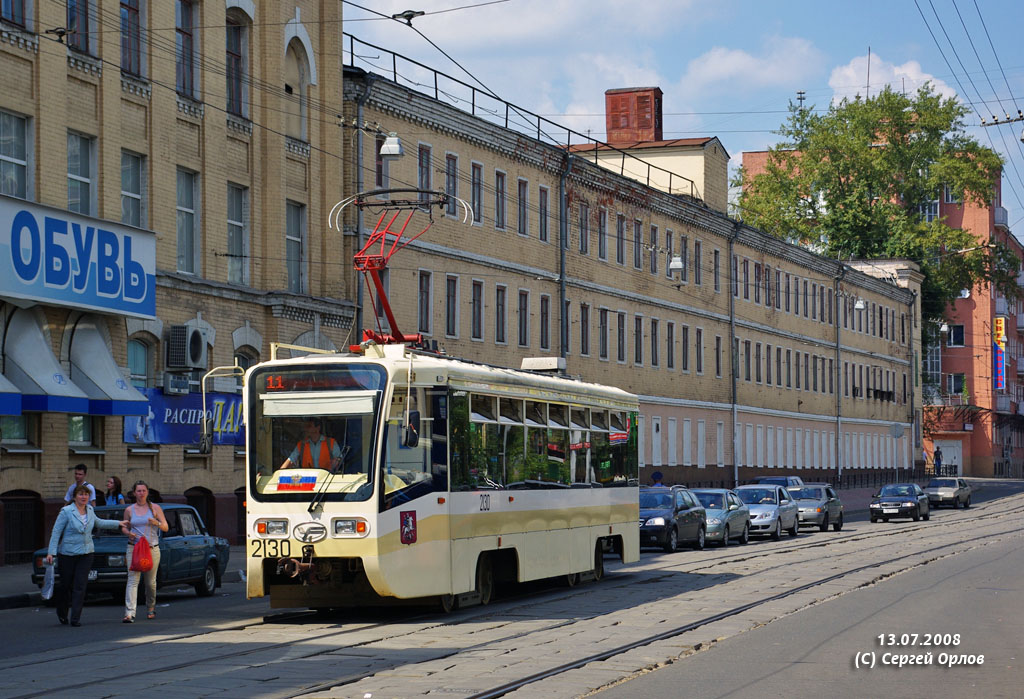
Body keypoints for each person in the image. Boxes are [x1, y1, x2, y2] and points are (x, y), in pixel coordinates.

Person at [46, 484, 125, 626]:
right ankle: (62, 612)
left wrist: (119, 523)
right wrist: (51, 552)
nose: (84, 497)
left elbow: (99, 522)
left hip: (86, 553)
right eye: (81, 494)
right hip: (68, 554)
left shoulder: (89, 510)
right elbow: (56, 532)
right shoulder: (66, 511)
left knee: (80, 585)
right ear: (75, 497)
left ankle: (75, 618)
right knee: (65, 585)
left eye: (86, 495)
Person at [120, 481, 168, 622]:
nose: (141, 493)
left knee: (150, 582)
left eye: (143, 491)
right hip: (134, 547)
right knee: (132, 580)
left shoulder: (155, 508)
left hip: (151, 548)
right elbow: (124, 527)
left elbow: (165, 527)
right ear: (134, 493)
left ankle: (150, 607)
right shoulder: (129, 510)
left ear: (147, 492)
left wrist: (156, 523)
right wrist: (128, 533)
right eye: (138, 491)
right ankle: (129, 613)